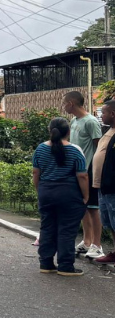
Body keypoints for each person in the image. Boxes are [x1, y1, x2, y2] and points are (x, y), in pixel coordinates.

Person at [33, 117, 88, 276]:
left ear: (50, 131)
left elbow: (36, 173)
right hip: (68, 193)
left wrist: (40, 191)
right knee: (67, 230)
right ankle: (65, 266)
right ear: (68, 132)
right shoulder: (75, 150)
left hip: (46, 191)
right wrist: (85, 196)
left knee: (47, 227)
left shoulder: (40, 149)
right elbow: (82, 176)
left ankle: (46, 263)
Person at [63, 91, 104, 259]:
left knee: (94, 207)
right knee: (83, 207)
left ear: (71, 103)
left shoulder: (91, 122)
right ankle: (86, 241)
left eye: (64, 103)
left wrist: (95, 169)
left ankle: (97, 244)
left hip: (89, 170)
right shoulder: (74, 121)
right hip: (76, 170)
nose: (63, 106)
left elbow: (99, 146)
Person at [93, 100, 115, 265]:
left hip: (112, 185)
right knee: (109, 222)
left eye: (104, 113)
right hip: (103, 185)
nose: (101, 116)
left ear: (112, 114)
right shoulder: (109, 132)